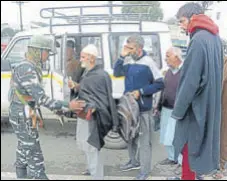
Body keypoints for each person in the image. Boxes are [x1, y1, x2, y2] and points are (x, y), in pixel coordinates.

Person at [8, 35, 86, 180]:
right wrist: (68, 105)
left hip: (23, 114)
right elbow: (41, 99)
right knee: (34, 155)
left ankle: (22, 176)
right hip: (22, 116)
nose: (48, 56)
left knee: (24, 149)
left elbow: (30, 97)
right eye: (47, 52)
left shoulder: (27, 66)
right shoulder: (27, 69)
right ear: (38, 51)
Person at [169, 2, 224, 180]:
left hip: (196, 107)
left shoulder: (198, 39)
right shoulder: (215, 38)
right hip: (210, 104)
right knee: (200, 150)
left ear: (193, 18)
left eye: (182, 21)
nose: (181, 25)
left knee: (189, 149)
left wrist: (178, 111)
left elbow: (190, 82)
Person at [114, 34, 164, 180]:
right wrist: (121, 56)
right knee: (130, 137)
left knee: (144, 141)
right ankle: (133, 161)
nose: (128, 50)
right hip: (129, 109)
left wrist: (141, 92)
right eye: (127, 47)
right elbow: (117, 73)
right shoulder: (128, 60)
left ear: (139, 48)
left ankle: (144, 171)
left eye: (131, 48)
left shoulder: (149, 63)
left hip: (143, 109)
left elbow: (160, 83)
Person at [74, 44, 119, 180]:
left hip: (94, 117)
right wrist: (76, 87)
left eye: (83, 57)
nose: (80, 59)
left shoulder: (100, 75)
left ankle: (97, 176)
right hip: (84, 114)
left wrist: (92, 106)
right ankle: (91, 169)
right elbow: (87, 91)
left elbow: (103, 100)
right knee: (85, 144)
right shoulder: (88, 72)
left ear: (91, 58)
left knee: (93, 147)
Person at [158, 47, 183, 166]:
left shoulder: (184, 71)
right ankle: (172, 158)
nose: (165, 59)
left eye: (168, 56)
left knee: (175, 136)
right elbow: (164, 89)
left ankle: (181, 162)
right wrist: (158, 106)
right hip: (166, 108)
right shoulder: (168, 72)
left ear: (177, 57)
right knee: (165, 136)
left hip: (177, 110)